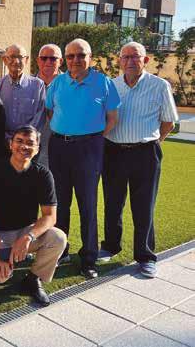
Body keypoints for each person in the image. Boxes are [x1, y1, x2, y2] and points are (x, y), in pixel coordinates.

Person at [99, 42, 178, 278]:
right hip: (113, 152)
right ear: (119, 61)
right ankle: (110, 246)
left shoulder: (159, 86)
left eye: (135, 57)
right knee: (113, 203)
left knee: (144, 206)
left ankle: (145, 256)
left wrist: (153, 142)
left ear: (145, 60)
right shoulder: (111, 86)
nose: (130, 61)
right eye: (125, 57)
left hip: (146, 153)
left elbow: (168, 122)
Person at [45, 38, 120, 279]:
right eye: (70, 56)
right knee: (60, 202)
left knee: (87, 204)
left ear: (90, 57)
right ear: (65, 59)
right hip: (59, 146)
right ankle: (60, 251)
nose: (75, 60)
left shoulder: (103, 83)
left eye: (81, 55)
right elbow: (50, 111)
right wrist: (67, 131)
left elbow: (112, 118)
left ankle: (88, 258)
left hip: (89, 148)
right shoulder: (58, 83)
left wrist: (91, 138)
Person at [0, 125, 66, 306]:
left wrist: (29, 236)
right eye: (19, 141)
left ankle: (33, 279)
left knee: (58, 238)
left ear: (37, 149)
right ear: (10, 144)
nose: (24, 146)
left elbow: (50, 216)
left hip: (25, 233)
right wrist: (0, 249)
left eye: (30, 143)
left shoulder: (43, 174)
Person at [0, 44, 46, 139]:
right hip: (2, 141)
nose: (16, 61)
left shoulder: (38, 85)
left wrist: (23, 139)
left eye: (20, 57)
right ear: (5, 60)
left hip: (28, 142)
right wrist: (7, 138)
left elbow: (40, 116)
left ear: (26, 60)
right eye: (12, 57)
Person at [35, 44, 63, 167]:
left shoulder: (71, 85)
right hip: (32, 150)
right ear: (38, 60)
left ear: (60, 61)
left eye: (53, 58)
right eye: (44, 58)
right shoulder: (27, 85)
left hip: (62, 149)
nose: (48, 62)